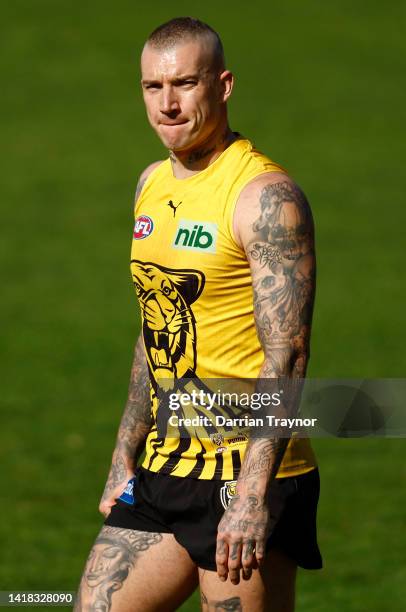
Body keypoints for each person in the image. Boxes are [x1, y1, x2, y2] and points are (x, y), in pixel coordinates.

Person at [74, 16, 322, 612]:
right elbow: (152, 331)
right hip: (168, 463)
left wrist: (253, 494)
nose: (168, 104)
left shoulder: (264, 198)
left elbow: (287, 357)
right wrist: (121, 455)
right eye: (153, 88)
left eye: (184, 84)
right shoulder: (150, 185)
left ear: (224, 85)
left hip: (247, 470)